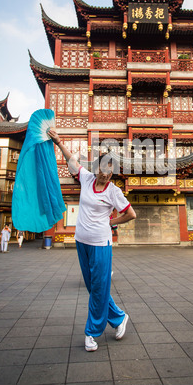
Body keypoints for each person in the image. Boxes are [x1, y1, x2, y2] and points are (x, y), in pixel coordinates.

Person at [48, 128, 136, 352]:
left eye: (110, 172)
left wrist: (111, 222)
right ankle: (118, 317)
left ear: (113, 173)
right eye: (102, 170)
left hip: (101, 245)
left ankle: (92, 333)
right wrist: (58, 141)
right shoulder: (86, 179)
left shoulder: (114, 191)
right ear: (96, 167)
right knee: (94, 287)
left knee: (98, 288)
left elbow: (131, 214)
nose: (105, 175)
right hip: (81, 242)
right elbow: (71, 160)